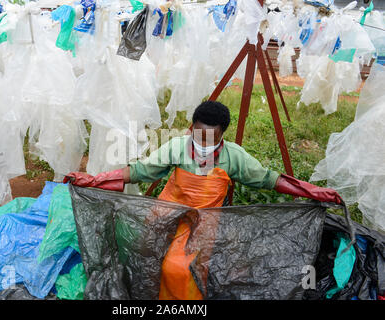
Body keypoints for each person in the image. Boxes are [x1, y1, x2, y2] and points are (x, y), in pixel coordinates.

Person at [64, 100, 343, 299]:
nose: (204, 144)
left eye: (211, 139)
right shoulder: (176, 147)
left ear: (223, 135)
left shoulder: (235, 157)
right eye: (199, 136)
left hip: (203, 222)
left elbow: (270, 179)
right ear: (190, 128)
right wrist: (95, 179)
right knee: (144, 255)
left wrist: (313, 192)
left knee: (181, 269)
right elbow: (140, 172)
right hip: (166, 211)